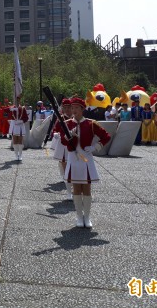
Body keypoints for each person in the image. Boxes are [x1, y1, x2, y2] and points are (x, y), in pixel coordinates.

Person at [59, 97, 111, 228]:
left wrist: (95, 147)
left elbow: (106, 136)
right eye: (72, 108)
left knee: (86, 188)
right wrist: (68, 135)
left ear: (82, 109)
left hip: (86, 159)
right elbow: (63, 142)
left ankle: (87, 217)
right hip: (73, 158)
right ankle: (79, 217)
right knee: (76, 188)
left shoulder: (91, 123)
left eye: (76, 108)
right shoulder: (67, 123)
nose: (73, 110)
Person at [52, 98, 73, 200]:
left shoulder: (75, 118)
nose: (67, 109)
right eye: (65, 107)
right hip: (63, 144)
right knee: (64, 164)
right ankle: (68, 189)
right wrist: (55, 133)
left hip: (74, 145)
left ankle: (74, 186)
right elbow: (55, 129)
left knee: (73, 166)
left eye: (69, 107)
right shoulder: (60, 118)